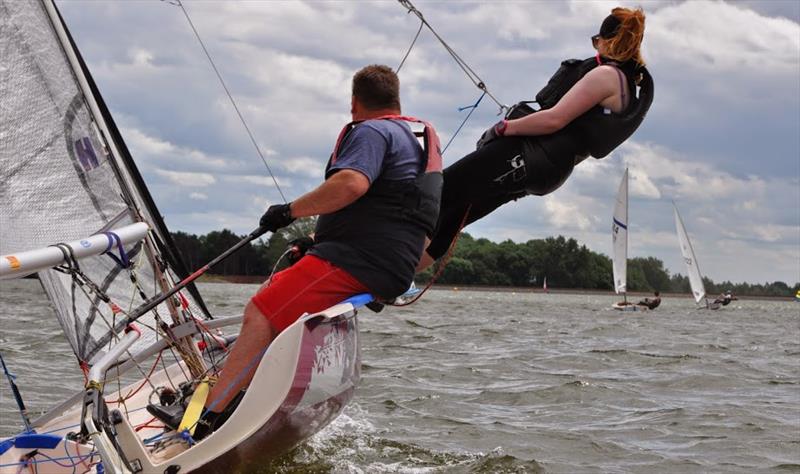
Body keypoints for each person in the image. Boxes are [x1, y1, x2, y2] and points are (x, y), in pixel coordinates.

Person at [149, 64, 442, 439]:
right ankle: (242, 395)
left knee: (262, 313)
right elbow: (385, 207)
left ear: (354, 104)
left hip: (360, 260)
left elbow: (351, 184)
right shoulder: (412, 136)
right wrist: (317, 242)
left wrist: (289, 212)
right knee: (280, 308)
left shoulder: (371, 131)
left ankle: (205, 416)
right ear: (396, 100)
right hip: (388, 262)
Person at [418, 7, 652, 269]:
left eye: (597, 41)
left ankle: (380, 269)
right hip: (546, 171)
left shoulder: (606, 76)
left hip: (527, 155)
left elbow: (554, 119)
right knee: (455, 216)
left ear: (608, 40)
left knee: (439, 191)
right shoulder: (629, 88)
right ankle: (391, 284)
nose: (595, 48)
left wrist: (503, 128)